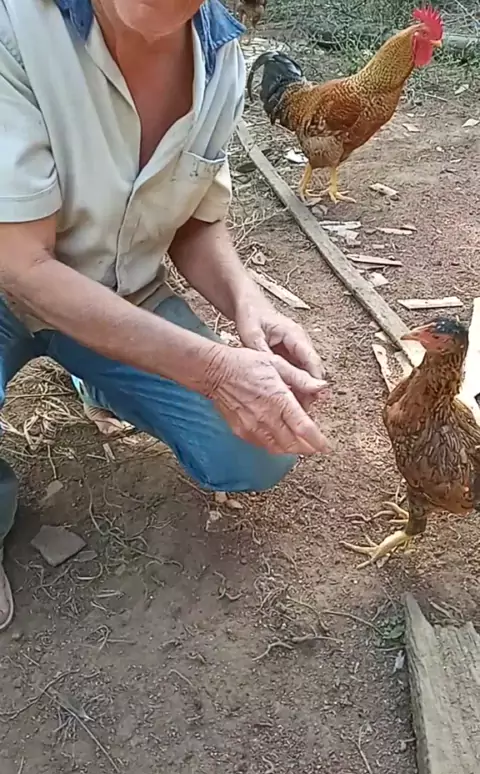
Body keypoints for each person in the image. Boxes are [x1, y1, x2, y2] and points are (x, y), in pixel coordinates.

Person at [0, 0, 330, 631]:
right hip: (7, 283)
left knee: (254, 453)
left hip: (120, 296)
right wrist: (215, 370)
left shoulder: (221, 60)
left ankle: (99, 372)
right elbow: (23, 266)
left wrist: (248, 305)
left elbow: (196, 224)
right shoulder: (15, 29)